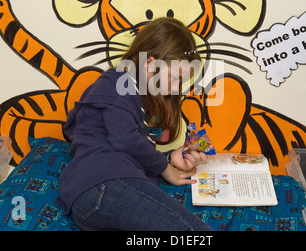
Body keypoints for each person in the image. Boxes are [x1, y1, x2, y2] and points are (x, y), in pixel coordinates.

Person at [59, 17, 213, 231]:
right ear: (150, 64)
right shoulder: (114, 82)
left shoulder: (134, 99)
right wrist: (166, 169)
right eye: (176, 78)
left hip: (98, 194)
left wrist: (170, 158)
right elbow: (125, 139)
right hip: (101, 184)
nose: (177, 88)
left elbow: (129, 146)